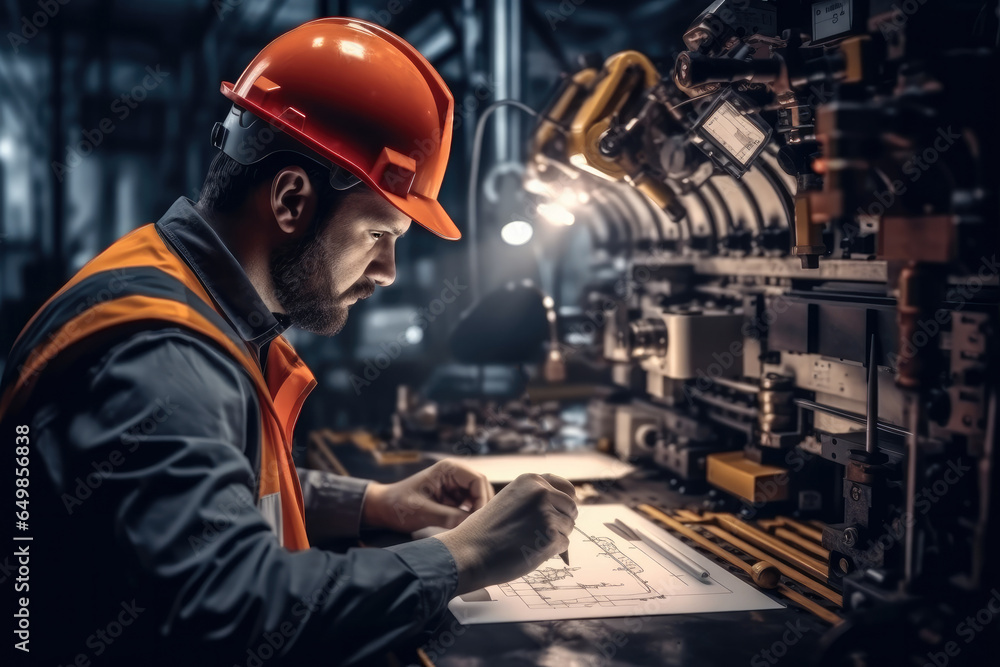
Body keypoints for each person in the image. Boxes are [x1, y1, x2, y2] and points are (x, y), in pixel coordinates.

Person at [0, 18, 577, 666]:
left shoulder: (184, 293)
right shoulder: (162, 359)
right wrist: (467, 554)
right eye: (379, 234)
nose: (386, 271)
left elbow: (215, 491)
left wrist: (374, 504)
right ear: (292, 199)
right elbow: (229, 606)